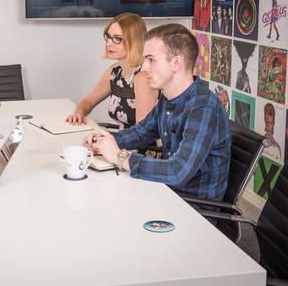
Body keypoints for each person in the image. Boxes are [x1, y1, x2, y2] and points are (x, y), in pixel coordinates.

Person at [83, 23, 231, 202]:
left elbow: (178, 171)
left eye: (151, 60)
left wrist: (119, 157)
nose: (144, 67)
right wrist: (105, 139)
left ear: (176, 63)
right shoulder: (168, 98)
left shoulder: (203, 108)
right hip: (165, 192)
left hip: (192, 210)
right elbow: (141, 132)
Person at [66, 13, 158, 130]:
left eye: (117, 39)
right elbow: (88, 102)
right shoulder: (114, 72)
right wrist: (79, 113)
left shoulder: (143, 76)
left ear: (134, 41)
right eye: (108, 37)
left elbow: (143, 133)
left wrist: (106, 140)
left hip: (143, 147)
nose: (109, 43)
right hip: (123, 142)